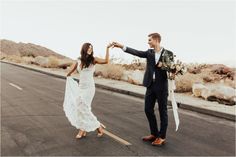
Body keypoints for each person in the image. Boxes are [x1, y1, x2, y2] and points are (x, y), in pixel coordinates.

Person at [112, 33, 173, 146]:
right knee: (147, 109)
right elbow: (137, 52)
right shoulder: (149, 53)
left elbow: (172, 69)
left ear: (156, 40)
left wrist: (163, 65)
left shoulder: (168, 53)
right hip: (150, 85)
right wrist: (121, 46)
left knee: (162, 111)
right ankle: (154, 133)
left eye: (150, 40)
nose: (148, 42)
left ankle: (162, 136)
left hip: (161, 87)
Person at [64, 42, 113, 139]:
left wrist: (107, 48)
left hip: (89, 88)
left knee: (83, 107)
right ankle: (97, 126)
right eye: (89, 48)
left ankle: (83, 130)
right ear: (84, 49)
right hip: (81, 87)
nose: (90, 49)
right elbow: (72, 69)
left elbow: (106, 61)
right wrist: (68, 75)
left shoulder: (93, 60)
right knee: (81, 107)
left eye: (91, 48)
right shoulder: (79, 60)